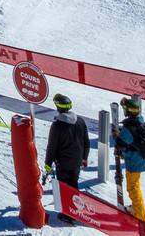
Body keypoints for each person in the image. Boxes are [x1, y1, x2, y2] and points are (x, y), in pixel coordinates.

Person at [44, 93, 90, 221]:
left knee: (63, 187)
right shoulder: (80, 121)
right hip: (77, 161)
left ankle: (67, 214)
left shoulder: (57, 125)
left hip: (63, 162)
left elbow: (52, 147)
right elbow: (86, 141)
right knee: (73, 185)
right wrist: (84, 157)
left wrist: (48, 163)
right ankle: (75, 211)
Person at [112, 94, 145, 221]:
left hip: (134, 162)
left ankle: (140, 217)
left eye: (125, 108)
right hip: (141, 160)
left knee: (133, 189)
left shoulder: (129, 128)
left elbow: (120, 141)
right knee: (135, 186)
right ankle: (136, 208)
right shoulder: (140, 123)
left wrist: (114, 134)